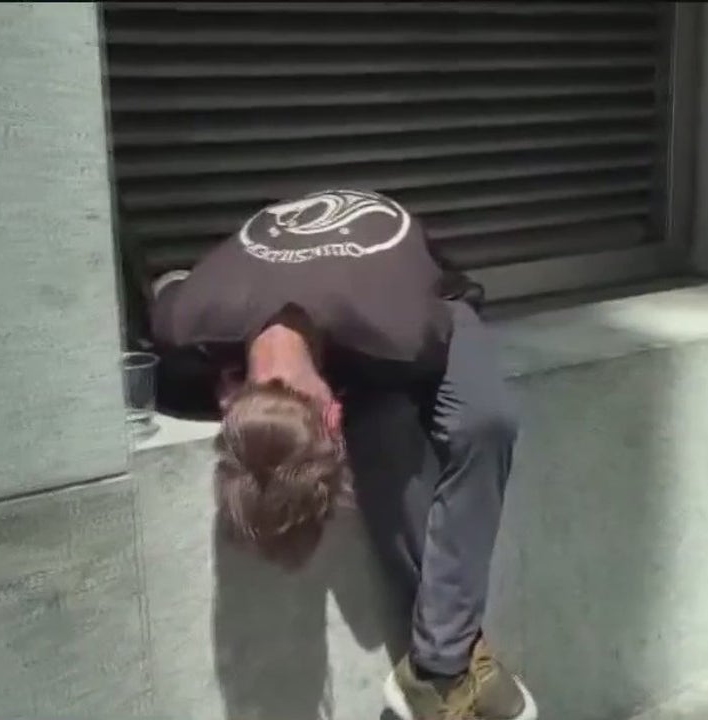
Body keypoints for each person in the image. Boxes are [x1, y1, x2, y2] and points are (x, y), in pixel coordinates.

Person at [148, 189, 537, 720]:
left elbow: (423, 346)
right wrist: (218, 376)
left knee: (483, 421)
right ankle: (453, 663)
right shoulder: (185, 325)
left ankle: (441, 666)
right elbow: (167, 284)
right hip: (321, 289)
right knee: (382, 426)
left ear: (334, 416)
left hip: (418, 294)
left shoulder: (401, 334)